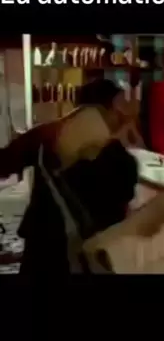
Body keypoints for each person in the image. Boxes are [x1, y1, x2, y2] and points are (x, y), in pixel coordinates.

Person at [0, 79, 142, 274]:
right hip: (79, 254)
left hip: (40, 240)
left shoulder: (46, 135)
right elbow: (121, 206)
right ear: (111, 108)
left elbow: (5, 162)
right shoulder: (117, 159)